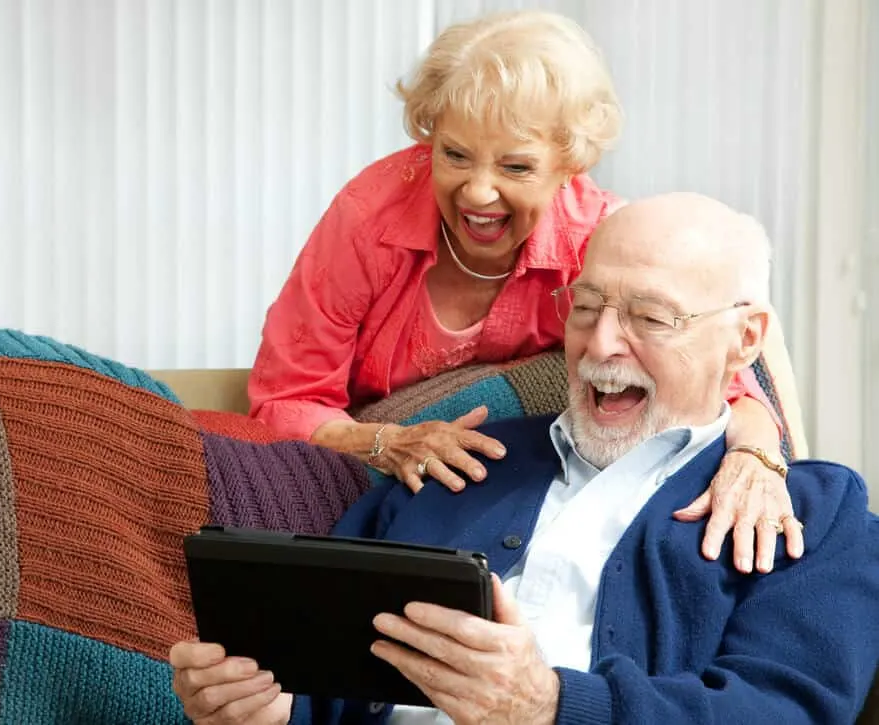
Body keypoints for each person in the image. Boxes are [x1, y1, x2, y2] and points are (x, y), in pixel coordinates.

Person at [171, 193, 879, 724]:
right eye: (586, 306)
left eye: (649, 318)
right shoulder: (462, 462)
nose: (600, 344)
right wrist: (267, 707)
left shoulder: (813, 513)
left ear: (744, 338)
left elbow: (785, 710)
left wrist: (552, 705)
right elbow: (326, 674)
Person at [247, 10, 801, 572]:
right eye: (454, 154)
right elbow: (283, 401)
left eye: (515, 166)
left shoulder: (600, 237)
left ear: (569, 166)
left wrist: (758, 457)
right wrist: (389, 441)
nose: (478, 191)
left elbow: (726, 384)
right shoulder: (369, 219)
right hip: (382, 472)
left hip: (514, 484)